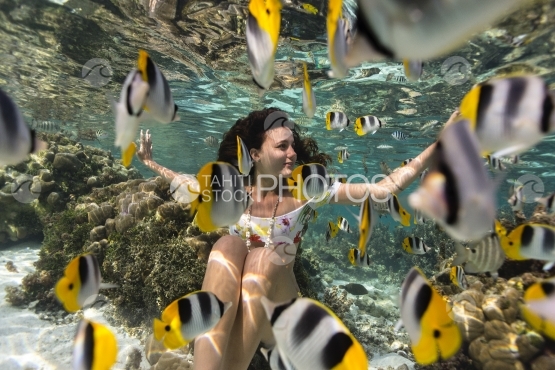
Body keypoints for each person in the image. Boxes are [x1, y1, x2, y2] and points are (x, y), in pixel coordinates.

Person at [136, 108, 458, 370]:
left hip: (280, 310)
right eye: (281, 147)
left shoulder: (308, 190)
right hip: (239, 306)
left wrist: (437, 146)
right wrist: (151, 163)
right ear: (255, 154)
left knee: (266, 254)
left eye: (292, 145)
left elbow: (383, 189)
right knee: (226, 245)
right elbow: (187, 183)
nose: (293, 153)